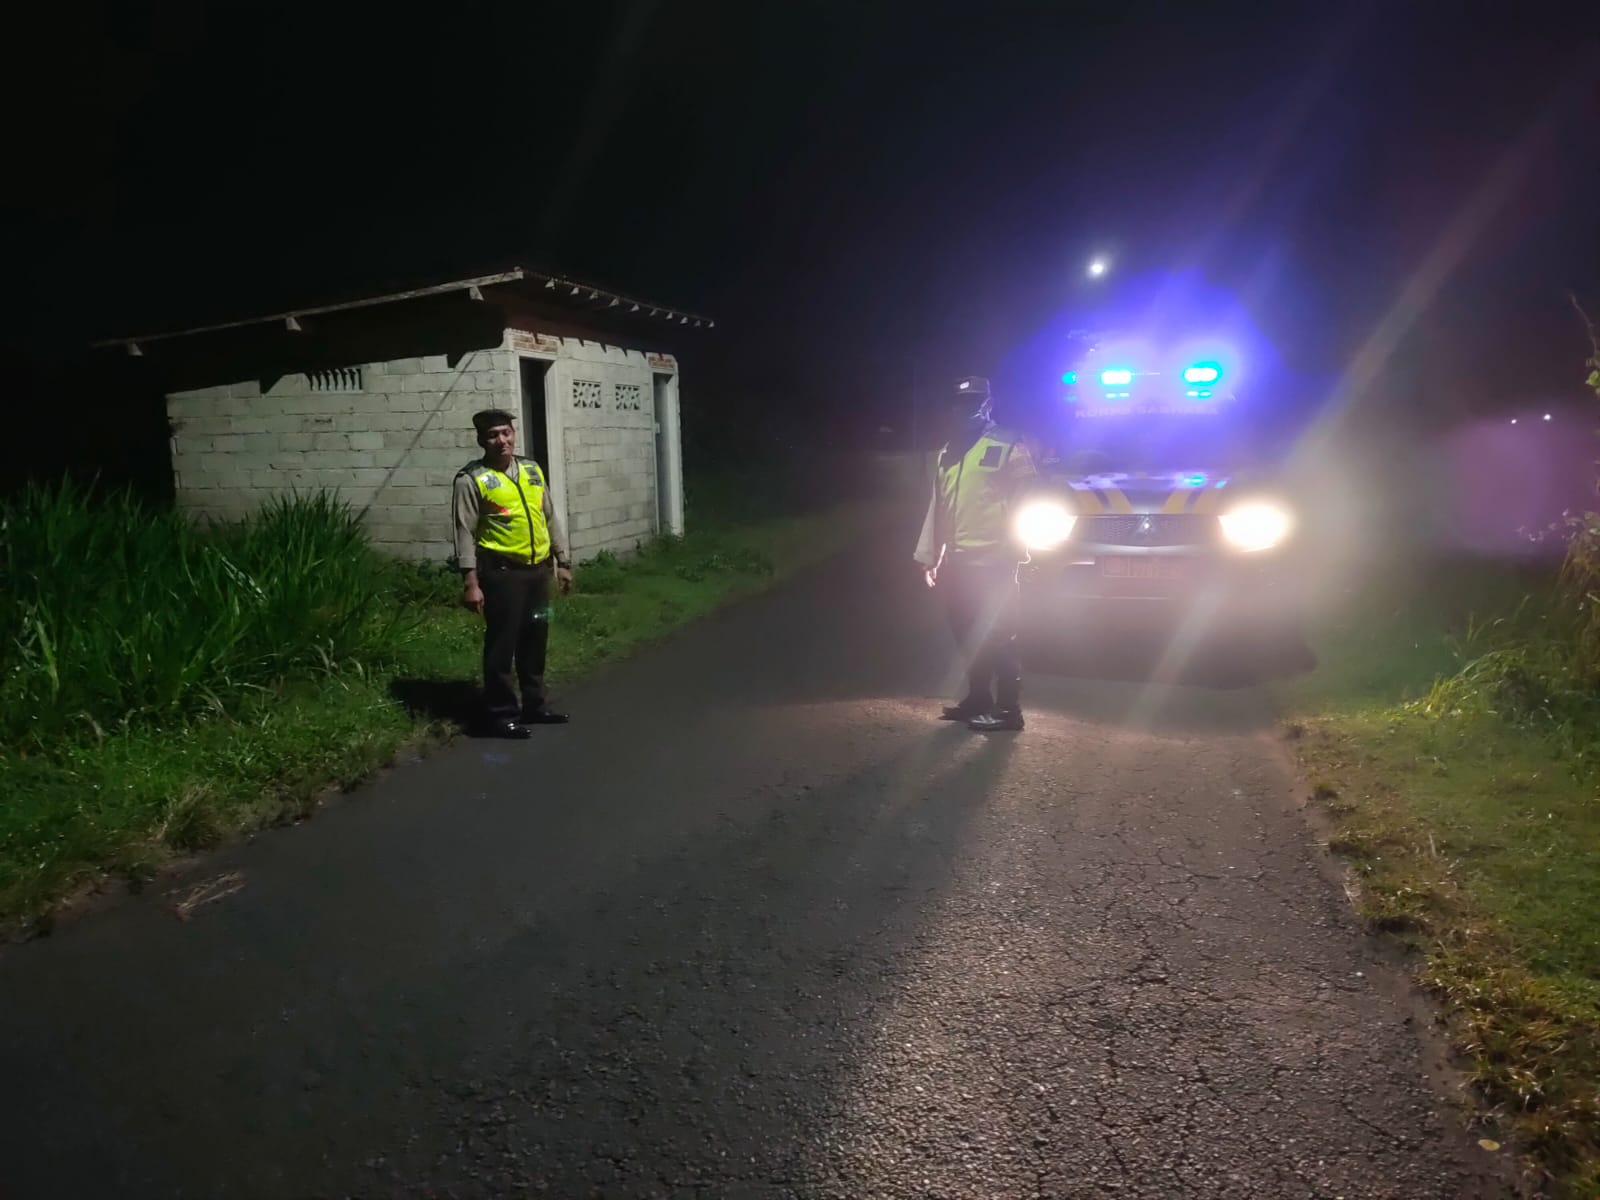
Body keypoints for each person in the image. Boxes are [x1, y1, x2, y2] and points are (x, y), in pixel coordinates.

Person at [913, 376, 1039, 732]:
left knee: (999, 635)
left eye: (973, 402)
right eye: (959, 402)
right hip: (958, 562)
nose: (964, 409)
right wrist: (930, 555)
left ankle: (1009, 710)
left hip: (996, 560)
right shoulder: (947, 452)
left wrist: (1016, 547)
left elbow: (1027, 497)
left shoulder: (1010, 445)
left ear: (988, 404)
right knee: (966, 633)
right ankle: (978, 699)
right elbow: (939, 507)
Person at [452, 408, 575, 738]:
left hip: (538, 574)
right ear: (481, 440)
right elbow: (464, 531)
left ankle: (535, 705)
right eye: (493, 435)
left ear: (513, 434)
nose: (501, 440)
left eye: (506, 432)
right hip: (503, 575)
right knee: (502, 646)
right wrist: (470, 582)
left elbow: (549, 517)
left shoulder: (532, 470)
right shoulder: (471, 479)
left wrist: (563, 562)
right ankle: (501, 715)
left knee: (536, 639)